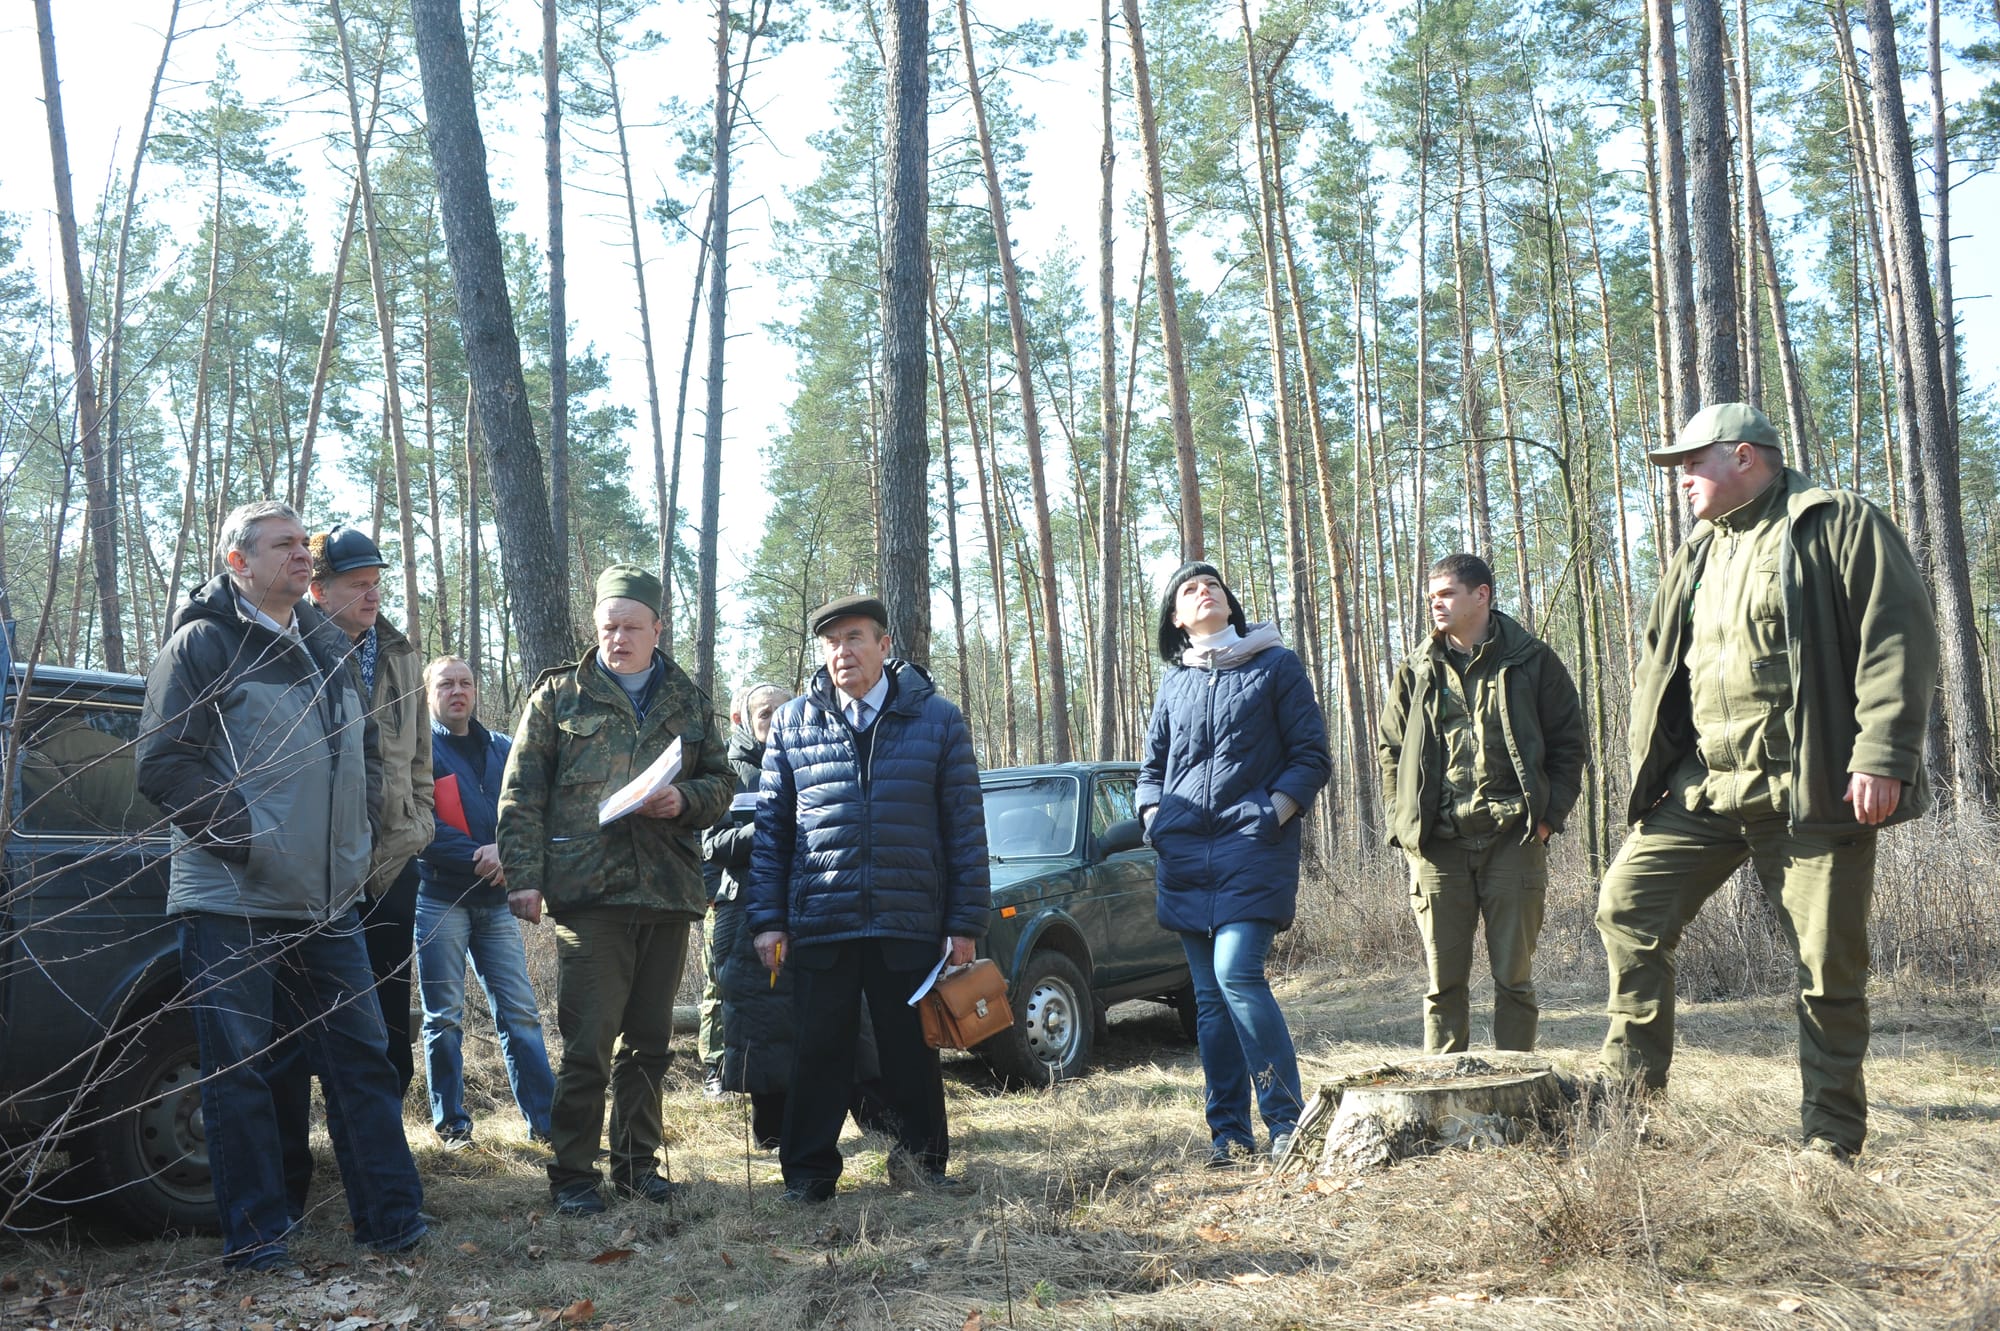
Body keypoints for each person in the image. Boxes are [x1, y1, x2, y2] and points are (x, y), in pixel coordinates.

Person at [1596, 402, 1939, 1160]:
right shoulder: (1697, 552)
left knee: (1827, 966)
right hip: (1706, 789)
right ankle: (1627, 1107)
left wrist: (1881, 753)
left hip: (1810, 787)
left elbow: (1898, 637)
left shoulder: (1837, 522)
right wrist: (1654, 773)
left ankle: (1830, 1135)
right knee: (1626, 907)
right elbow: (1663, 668)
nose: (1680, 478)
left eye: (1691, 462)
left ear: (1744, 455)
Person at [137, 500, 426, 1270]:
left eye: (305, 544)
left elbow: (363, 759)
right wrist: (253, 841)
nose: (303, 556)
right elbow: (163, 764)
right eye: (283, 545)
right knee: (242, 1078)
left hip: (328, 901)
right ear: (238, 561)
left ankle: (395, 1224)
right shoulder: (203, 643)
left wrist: (355, 846)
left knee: (364, 1059)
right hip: (234, 901)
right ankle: (259, 1242)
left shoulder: (328, 644)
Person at [497, 565, 732, 1215]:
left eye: (631, 627)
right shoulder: (558, 696)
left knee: (650, 1044)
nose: (618, 638)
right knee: (589, 1042)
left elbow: (723, 783)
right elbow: (521, 795)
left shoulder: (686, 697)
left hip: (665, 890)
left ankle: (636, 1166)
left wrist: (683, 797)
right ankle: (573, 1174)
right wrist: (524, 877)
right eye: (608, 627)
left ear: (658, 629)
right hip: (589, 894)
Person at [747, 594, 990, 1203]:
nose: (842, 652)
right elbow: (773, 830)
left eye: (854, 638)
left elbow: (964, 827)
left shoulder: (937, 719)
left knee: (910, 1050)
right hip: (822, 918)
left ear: (885, 646)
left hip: (908, 916)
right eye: (830, 642)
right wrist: (768, 919)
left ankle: (922, 1167)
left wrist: (963, 922)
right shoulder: (796, 723)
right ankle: (808, 1176)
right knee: (818, 1050)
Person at [1137, 562, 1331, 1167]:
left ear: (1230, 603)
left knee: (1237, 975)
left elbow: (1311, 755)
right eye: (1190, 589)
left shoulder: (1276, 665)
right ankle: (1228, 1134)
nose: (1204, 591)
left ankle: (1286, 1123)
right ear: (1176, 618)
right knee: (1209, 996)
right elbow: (1151, 768)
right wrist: (1152, 817)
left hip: (1252, 846)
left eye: (1213, 585)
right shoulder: (1174, 684)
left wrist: (1270, 813)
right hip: (1186, 852)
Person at [271, 525, 435, 1217]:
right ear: (318, 590)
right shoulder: (292, 650)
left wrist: (420, 824)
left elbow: (420, 757)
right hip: (307, 879)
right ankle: (288, 1187)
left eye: (377, 579)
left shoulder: (398, 655)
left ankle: (373, 1179)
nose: (371, 591)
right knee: (289, 1040)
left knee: (387, 1039)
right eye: (355, 581)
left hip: (390, 872)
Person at [1378, 553, 1587, 1054]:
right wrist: (1404, 827)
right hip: (1437, 844)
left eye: (1446, 593)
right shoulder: (1416, 668)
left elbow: (1569, 746)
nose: (1436, 603)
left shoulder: (1534, 661)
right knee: (1443, 984)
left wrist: (1547, 820)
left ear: (1482, 595)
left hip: (1513, 840)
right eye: (1431, 596)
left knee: (1513, 980)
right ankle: (1442, 1098)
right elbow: (1390, 749)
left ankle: (1516, 1093)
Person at [707, 681, 893, 1150]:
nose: (775, 718)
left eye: (782, 709)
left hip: (816, 905)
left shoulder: (810, 753)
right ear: (742, 721)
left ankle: (879, 1120)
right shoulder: (727, 773)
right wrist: (773, 826)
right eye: (765, 712)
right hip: (749, 910)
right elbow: (713, 844)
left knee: (848, 1015)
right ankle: (774, 1131)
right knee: (764, 1022)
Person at [414, 655, 556, 1148]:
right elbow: (418, 825)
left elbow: (531, 808)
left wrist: (508, 853)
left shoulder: (502, 747)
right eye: (447, 684)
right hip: (440, 901)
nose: (458, 691)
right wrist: (481, 854)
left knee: (519, 1013)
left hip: (496, 903)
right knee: (443, 1017)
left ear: (475, 691)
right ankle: (452, 1126)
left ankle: (548, 1124)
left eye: (466, 683)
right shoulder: (419, 750)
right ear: (429, 694)